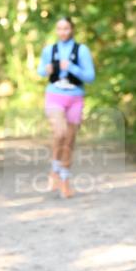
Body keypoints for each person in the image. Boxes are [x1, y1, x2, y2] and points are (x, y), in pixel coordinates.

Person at [37, 16, 96, 199]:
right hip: (55, 95)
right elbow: (40, 71)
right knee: (59, 133)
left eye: (66, 28)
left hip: (75, 97)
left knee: (69, 140)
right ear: (56, 31)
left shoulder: (81, 50)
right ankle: (54, 169)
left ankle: (64, 179)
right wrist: (46, 70)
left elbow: (90, 77)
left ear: (72, 30)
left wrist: (71, 67)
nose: (63, 32)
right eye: (59, 28)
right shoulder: (50, 50)